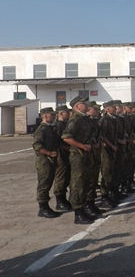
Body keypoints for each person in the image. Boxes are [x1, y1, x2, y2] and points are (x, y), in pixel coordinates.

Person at [61, 96, 95, 224]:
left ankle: (84, 208)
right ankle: (78, 212)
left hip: (86, 155)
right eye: (83, 103)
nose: (86, 104)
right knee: (78, 182)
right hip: (78, 155)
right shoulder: (75, 120)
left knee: (86, 181)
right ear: (77, 106)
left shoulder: (84, 119)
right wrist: (82, 146)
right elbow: (66, 137)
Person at [32, 107, 62, 218]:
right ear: (45, 116)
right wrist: (49, 153)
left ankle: (46, 207)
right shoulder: (41, 130)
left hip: (51, 160)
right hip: (44, 161)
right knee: (44, 185)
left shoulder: (50, 128)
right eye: (52, 115)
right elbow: (37, 146)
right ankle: (43, 208)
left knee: (48, 183)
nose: (54, 117)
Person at [99, 101, 119, 207]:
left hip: (112, 149)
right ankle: (104, 197)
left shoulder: (112, 119)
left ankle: (111, 194)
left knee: (112, 172)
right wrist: (111, 146)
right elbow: (102, 136)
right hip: (106, 150)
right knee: (106, 173)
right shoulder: (104, 120)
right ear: (107, 109)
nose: (116, 109)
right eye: (113, 107)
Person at [52, 104, 72, 211]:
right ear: (61, 114)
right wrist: (69, 148)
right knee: (61, 177)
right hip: (61, 154)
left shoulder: (65, 124)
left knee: (67, 177)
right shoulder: (58, 125)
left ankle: (64, 199)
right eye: (67, 112)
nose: (69, 114)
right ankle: (59, 200)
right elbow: (57, 142)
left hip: (67, 154)